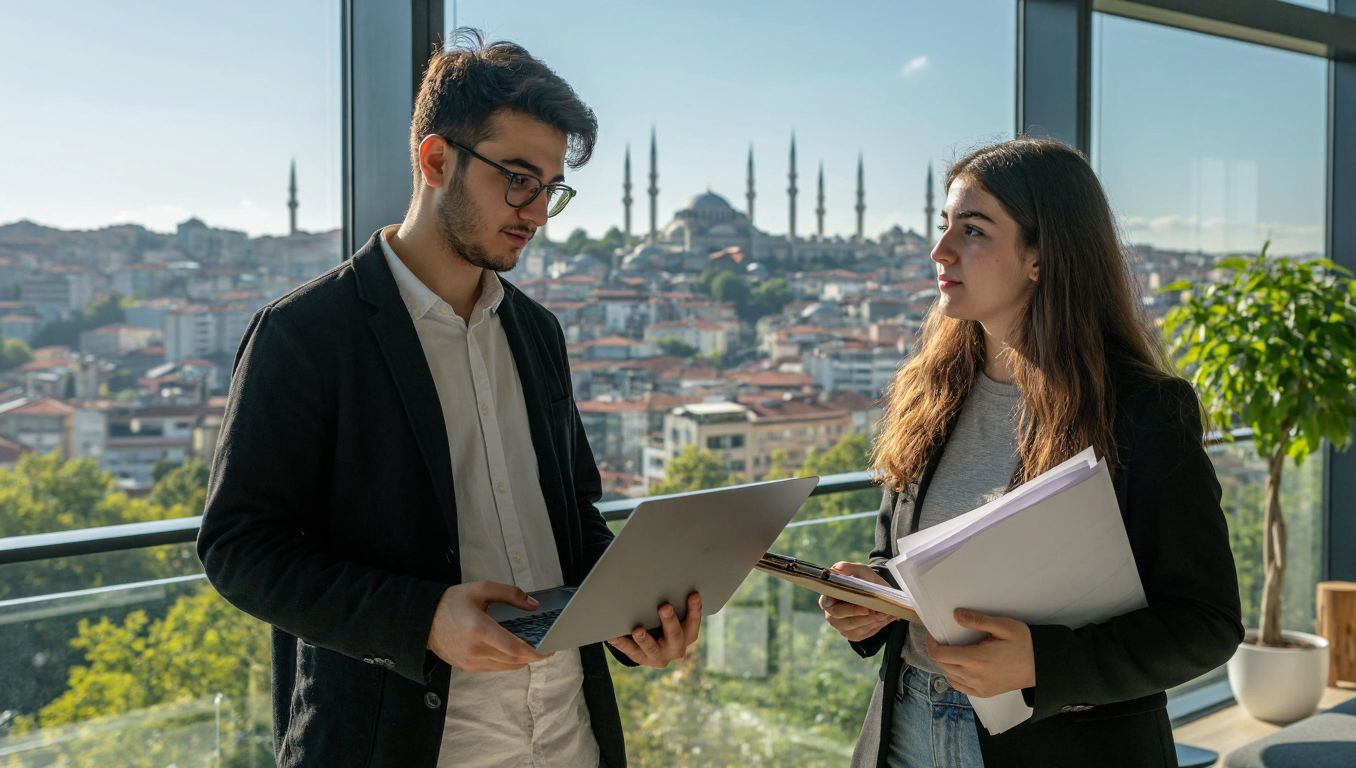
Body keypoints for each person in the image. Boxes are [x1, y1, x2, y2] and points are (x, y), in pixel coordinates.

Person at [196, 29, 700, 768]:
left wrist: (629, 612)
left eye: (551, 188)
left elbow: (572, 517)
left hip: (568, 738)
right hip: (402, 744)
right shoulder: (305, 333)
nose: (537, 212)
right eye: (517, 178)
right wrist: (423, 619)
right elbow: (239, 548)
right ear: (436, 160)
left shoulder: (537, 333)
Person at [820, 137, 1243, 768]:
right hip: (907, 723)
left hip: (1063, 748)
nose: (940, 251)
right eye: (943, 227)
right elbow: (903, 556)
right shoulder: (929, 395)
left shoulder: (1141, 411)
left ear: (1042, 255)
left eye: (974, 230)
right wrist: (877, 596)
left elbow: (1206, 623)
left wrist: (1043, 663)